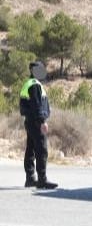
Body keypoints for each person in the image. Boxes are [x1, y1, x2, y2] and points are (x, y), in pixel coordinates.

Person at [19, 61, 57, 189]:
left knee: (30, 150)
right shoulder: (35, 85)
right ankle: (42, 179)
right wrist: (42, 122)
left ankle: (30, 178)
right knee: (41, 150)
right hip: (36, 122)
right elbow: (37, 105)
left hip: (30, 121)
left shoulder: (28, 83)